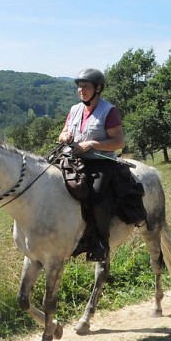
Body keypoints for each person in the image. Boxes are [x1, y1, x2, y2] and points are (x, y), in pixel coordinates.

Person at [58, 68, 125, 261]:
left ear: (98, 88)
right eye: (79, 86)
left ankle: (101, 242)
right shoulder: (74, 110)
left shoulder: (109, 111)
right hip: (73, 159)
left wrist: (93, 144)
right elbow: (62, 133)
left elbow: (119, 142)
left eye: (85, 86)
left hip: (100, 162)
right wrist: (65, 136)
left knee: (96, 195)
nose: (81, 90)